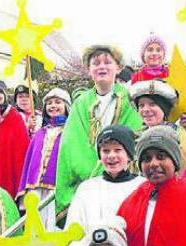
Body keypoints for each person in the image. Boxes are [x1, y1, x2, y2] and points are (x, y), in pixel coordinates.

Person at [56, 45, 143, 222]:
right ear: (89, 70)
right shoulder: (80, 104)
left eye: (107, 62)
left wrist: (117, 160)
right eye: (96, 63)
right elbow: (72, 143)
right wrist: (95, 169)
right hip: (91, 183)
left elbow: (138, 131)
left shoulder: (132, 98)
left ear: (118, 68)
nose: (101, 67)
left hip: (126, 179)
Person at [61, 125, 145, 246]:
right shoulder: (87, 189)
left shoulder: (142, 187)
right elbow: (75, 233)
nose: (111, 156)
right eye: (106, 151)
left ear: (129, 154)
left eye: (117, 150)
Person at [17, 87, 71, 227]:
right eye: (49, 103)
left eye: (58, 102)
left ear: (66, 106)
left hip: (56, 189)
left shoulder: (71, 132)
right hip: (35, 189)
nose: (53, 106)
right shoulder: (40, 133)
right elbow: (29, 162)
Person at [128, 79, 186, 170]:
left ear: (164, 108)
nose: (146, 110)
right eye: (141, 105)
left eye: (152, 104)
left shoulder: (178, 133)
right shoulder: (135, 136)